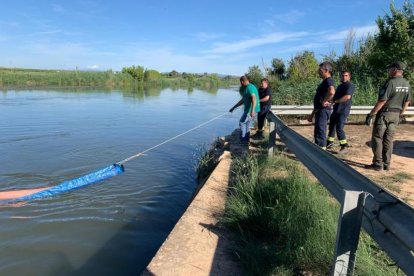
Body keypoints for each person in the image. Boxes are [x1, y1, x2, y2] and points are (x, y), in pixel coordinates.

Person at [365, 61, 412, 171]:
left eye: (390, 68)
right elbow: (407, 102)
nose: (388, 70)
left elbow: (382, 100)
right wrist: (401, 114)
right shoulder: (406, 83)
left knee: (377, 138)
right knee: (388, 140)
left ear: (395, 69)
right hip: (396, 115)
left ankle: (377, 164)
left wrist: (371, 114)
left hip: (385, 114)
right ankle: (386, 163)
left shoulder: (390, 82)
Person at [308, 61, 336, 149]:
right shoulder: (324, 81)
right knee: (318, 131)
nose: (318, 72)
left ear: (326, 70)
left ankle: (322, 153)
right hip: (319, 110)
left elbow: (332, 91)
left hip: (323, 111)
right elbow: (319, 101)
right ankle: (318, 150)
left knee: (320, 131)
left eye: (320, 70)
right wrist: (312, 114)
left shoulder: (329, 80)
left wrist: (325, 101)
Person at [327, 70, 355, 154]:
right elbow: (334, 97)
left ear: (349, 77)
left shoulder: (350, 85)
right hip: (336, 110)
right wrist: (327, 101)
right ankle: (329, 142)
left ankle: (344, 146)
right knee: (332, 126)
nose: (344, 77)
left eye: (346, 75)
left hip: (343, 110)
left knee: (339, 128)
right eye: (342, 75)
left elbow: (347, 97)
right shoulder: (339, 86)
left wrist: (336, 101)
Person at [229, 75, 260, 144]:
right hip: (248, 110)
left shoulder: (250, 88)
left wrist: (253, 110)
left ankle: (243, 140)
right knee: (247, 124)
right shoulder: (248, 87)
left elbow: (254, 98)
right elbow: (243, 100)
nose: (241, 84)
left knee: (242, 122)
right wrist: (234, 107)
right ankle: (246, 140)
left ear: (242, 81)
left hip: (250, 111)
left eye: (241, 82)